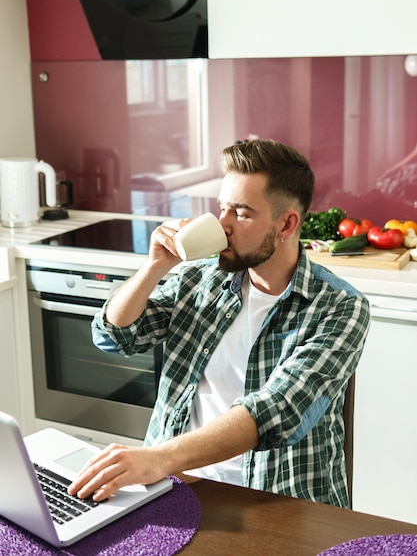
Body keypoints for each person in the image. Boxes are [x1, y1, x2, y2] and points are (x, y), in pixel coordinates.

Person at [68, 139, 370, 509]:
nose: (222, 225)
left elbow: (276, 410)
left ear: (287, 224)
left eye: (241, 213)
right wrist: (154, 267)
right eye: (221, 208)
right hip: (177, 487)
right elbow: (114, 336)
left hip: (280, 504)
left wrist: (158, 457)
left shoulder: (339, 306)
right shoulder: (198, 280)